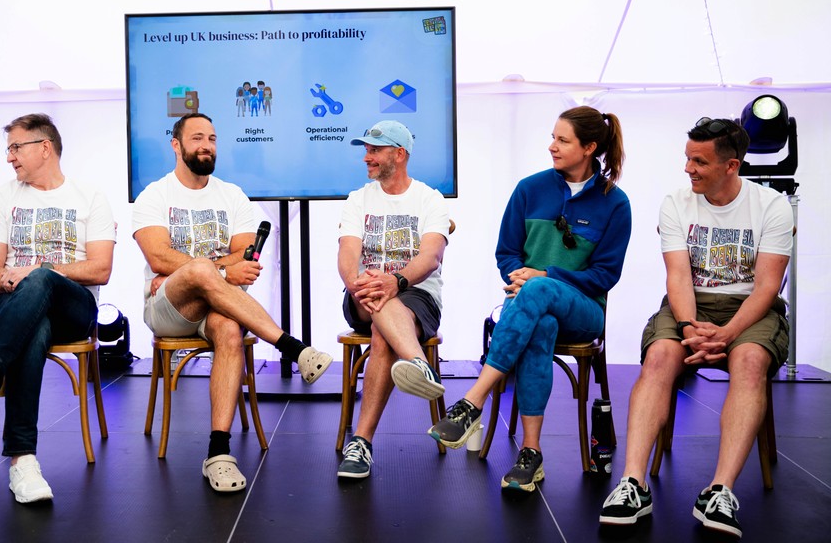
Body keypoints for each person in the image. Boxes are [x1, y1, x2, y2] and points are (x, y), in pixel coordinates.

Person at [599, 118, 792, 539]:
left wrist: (727, 334)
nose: (688, 168)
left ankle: (720, 491)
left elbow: (766, 287)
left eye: (699, 161)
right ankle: (632, 484)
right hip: (690, 304)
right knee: (659, 357)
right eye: (687, 158)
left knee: (750, 361)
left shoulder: (772, 206)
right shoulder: (676, 203)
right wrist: (689, 328)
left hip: (750, 309)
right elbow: (678, 277)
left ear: (731, 165)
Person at [428, 106, 631, 492]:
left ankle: (472, 401)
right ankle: (531, 452)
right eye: (553, 137)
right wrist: (520, 278)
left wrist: (545, 277)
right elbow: (506, 254)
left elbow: (605, 276)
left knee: (540, 291)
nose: (551, 146)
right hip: (529, 304)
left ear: (589, 147)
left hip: (585, 310)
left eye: (562, 140)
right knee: (542, 324)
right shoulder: (529, 189)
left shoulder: (615, 203)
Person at [132, 112, 331, 493]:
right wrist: (218, 272)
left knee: (228, 329)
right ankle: (292, 347)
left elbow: (247, 255)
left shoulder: (232, 195)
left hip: (216, 310)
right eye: (197, 138)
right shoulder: (154, 195)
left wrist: (204, 272)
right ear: (176, 145)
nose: (206, 145)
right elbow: (158, 257)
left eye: (212, 138)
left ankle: (218, 453)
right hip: (168, 307)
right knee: (199, 270)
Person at [0, 113, 115, 504]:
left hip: (75, 308)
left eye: (15, 147)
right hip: (20, 304)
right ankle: (22, 461)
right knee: (34, 329)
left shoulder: (89, 196)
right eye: (7, 149)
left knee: (42, 277)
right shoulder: (4, 197)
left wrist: (37, 272)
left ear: (44, 148)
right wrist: (24, 281)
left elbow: (101, 269)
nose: (9, 157)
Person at [336, 120, 450, 480]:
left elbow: (431, 257)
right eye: (366, 150)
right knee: (379, 299)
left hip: (417, 294)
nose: (366, 157)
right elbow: (347, 253)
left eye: (375, 150)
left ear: (399, 155)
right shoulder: (358, 199)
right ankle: (418, 363)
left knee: (382, 334)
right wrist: (358, 284)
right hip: (363, 292)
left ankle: (361, 443)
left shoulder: (430, 199)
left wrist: (395, 281)